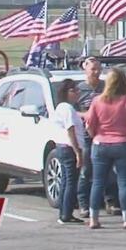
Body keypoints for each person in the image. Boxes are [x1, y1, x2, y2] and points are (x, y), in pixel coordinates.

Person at [84, 68, 126, 229]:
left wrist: (95, 135)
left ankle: (94, 219)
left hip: (101, 143)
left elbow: (89, 124)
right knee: (124, 182)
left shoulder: (97, 101)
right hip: (124, 143)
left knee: (98, 182)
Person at [76, 57, 120, 218]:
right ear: (85, 69)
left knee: (109, 170)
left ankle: (111, 201)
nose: (96, 72)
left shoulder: (106, 88)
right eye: (93, 69)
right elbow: (72, 112)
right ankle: (83, 204)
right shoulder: (79, 89)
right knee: (86, 170)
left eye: (98, 69)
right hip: (87, 134)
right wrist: (87, 115)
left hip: (105, 134)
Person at [53, 79, 84, 224]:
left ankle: (64, 212)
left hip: (63, 147)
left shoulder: (62, 108)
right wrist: (77, 151)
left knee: (66, 181)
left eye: (77, 90)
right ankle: (66, 213)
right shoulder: (67, 109)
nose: (77, 93)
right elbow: (70, 130)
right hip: (68, 148)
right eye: (73, 90)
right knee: (71, 182)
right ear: (65, 93)